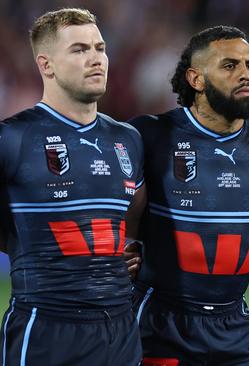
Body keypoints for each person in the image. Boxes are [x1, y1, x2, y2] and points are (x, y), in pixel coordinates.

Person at [127, 26, 249, 366]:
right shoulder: (150, 134)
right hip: (161, 324)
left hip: (234, 325)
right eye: (230, 65)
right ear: (196, 79)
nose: (245, 74)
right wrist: (124, 242)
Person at [0, 8, 145, 365]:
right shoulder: (14, 137)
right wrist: (24, 248)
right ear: (46, 65)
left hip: (121, 331)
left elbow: (133, 216)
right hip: (46, 330)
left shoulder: (127, 139)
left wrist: (132, 248)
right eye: (79, 50)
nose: (96, 59)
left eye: (100, 47)